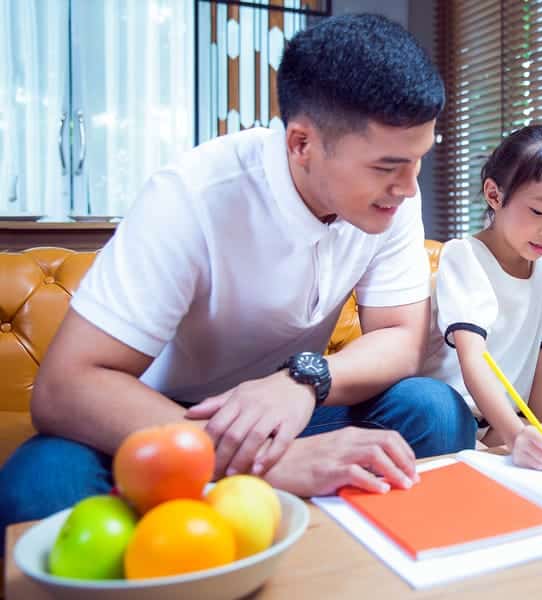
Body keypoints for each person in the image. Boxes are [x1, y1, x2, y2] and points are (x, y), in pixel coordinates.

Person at [0, 14, 476, 546]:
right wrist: (270, 464)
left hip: (288, 407)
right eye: (388, 166)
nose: (409, 189)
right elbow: (65, 388)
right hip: (165, 419)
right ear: (302, 144)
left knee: (435, 411)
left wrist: (304, 381)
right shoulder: (192, 197)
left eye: (418, 161)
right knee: (38, 489)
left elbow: (399, 340)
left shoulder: (390, 199)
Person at [419, 125, 542, 469]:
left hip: (502, 425)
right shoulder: (464, 256)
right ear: (494, 196)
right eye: (539, 212)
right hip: (452, 419)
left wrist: (536, 429)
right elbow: (473, 358)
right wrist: (517, 434)